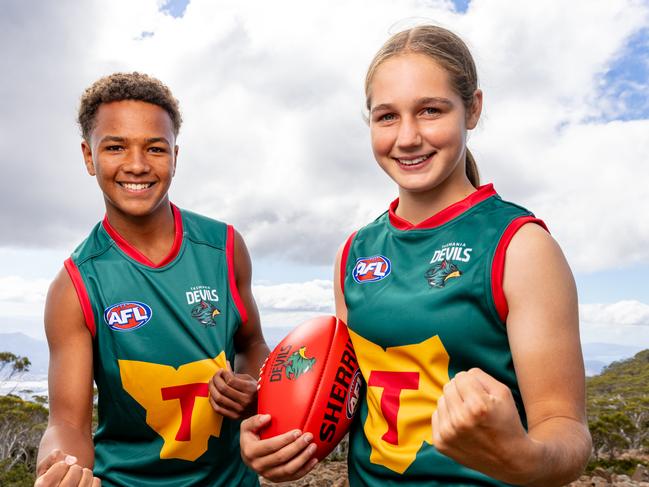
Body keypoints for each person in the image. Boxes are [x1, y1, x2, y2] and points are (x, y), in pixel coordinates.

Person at [239, 25, 592, 486]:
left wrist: (522, 458)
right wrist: (277, 432)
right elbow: (342, 392)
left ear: (473, 109)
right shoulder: (354, 252)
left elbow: (566, 430)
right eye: (387, 116)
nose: (407, 137)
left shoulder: (520, 245)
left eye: (430, 111)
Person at [35, 72, 268, 487]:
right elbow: (68, 422)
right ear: (89, 157)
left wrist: (252, 385)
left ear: (175, 156)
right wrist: (62, 466)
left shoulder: (225, 247)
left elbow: (251, 345)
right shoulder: (75, 285)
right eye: (116, 147)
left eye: (155, 148)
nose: (137, 164)